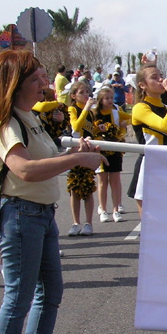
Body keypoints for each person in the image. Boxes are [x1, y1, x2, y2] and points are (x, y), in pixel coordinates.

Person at [0, 50, 107, 334]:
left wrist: (74, 151)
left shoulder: (29, 117)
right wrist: (78, 158)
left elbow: (45, 158)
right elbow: (23, 169)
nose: (45, 83)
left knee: (49, 292)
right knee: (18, 297)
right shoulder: (6, 123)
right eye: (36, 78)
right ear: (15, 83)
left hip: (40, 213)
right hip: (20, 214)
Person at [128, 63, 167, 218]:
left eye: (160, 76)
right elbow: (166, 127)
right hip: (149, 165)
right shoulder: (140, 108)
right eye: (154, 77)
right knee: (150, 222)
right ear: (142, 85)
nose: (161, 80)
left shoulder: (165, 106)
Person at [92, 85, 130, 222]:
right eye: (106, 98)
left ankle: (115, 209)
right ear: (100, 99)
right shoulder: (94, 114)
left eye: (111, 98)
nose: (109, 101)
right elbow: (90, 130)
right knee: (102, 181)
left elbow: (132, 118)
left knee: (115, 180)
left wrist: (125, 123)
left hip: (114, 150)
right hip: (100, 150)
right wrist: (97, 129)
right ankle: (103, 209)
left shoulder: (116, 112)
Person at [66, 81, 98, 236]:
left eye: (87, 91)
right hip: (75, 150)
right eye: (82, 92)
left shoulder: (91, 113)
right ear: (73, 95)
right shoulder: (73, 109)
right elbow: (76, 127)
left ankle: (88, 223)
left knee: (88, 188)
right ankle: (75, 222)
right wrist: (85, 108)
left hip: (88, 152)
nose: (86, 95)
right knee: (74, 190)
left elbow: (91, 132)